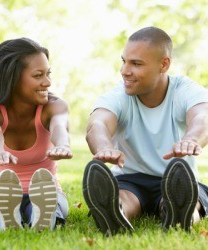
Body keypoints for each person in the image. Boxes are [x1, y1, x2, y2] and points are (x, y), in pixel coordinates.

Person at [83, 26, 208, 236]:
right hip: (130, 178)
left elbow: (202, 116)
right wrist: (104, 147)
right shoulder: (119, 95)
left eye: (136, 64)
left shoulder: (184, 90)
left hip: (176, 179)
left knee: (190, 198)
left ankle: (180, 215)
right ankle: (116, 212)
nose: (125, 71)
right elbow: (98, 124)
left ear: (164, 64)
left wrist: (191, 139)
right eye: (124, 61)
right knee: (122, 196)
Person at [0, 37, 73, 231]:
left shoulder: (55, 106)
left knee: (53, 203)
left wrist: (62, 145)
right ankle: (4, 215)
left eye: (48, 74)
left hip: (46, 191)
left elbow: (59, 127)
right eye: (38, 75)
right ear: (12, 78)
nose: (47, 82)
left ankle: (41, 216)